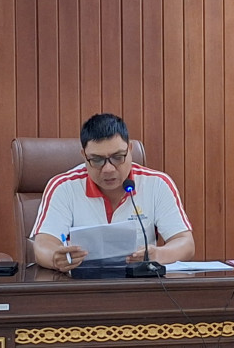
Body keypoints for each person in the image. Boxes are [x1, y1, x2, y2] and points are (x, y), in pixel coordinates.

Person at [31, 113, 194, 272]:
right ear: (84, 156)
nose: (108, 169)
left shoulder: (157, 184)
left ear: (130, 149)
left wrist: (158, 254)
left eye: (117, 157)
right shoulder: (63, 187)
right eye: (97, 160)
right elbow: (43, 244)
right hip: (79, 289)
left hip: (140, 287)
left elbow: (185, 243)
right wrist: (55, 258)